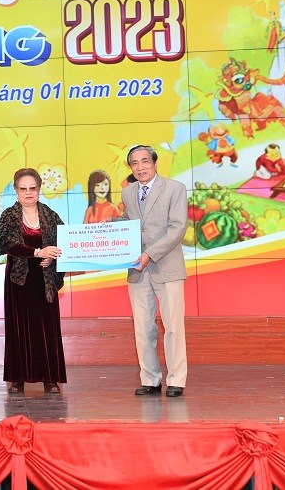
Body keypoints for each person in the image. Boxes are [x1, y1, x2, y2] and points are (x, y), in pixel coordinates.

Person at [120, 145, 189, 398]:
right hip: (138, 269)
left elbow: (178, 228)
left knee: (173, 326)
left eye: (145, 161)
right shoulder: (128, 192)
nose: (140, 167)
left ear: (155, 163)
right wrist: (108, 228)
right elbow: (129, 223)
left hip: (167, 266)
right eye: (135, 163)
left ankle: (176, 379)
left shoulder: (174, 188)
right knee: (143, 327)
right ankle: (150, 379)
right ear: (130, 167)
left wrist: (149, 254)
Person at [0, 168, 66, 395]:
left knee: (47, 329)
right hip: (19, 281)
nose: (28, 193)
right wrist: (38, 252)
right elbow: (7, 244)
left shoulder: (50, 215)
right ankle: (18, 379)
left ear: (39, 189)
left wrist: (52, 257)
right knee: (18, 329)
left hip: (45, 280)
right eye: (23, 189)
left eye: (32, 188)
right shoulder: (9, 215)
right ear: (16, 191)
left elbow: (65, 242)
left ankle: (50, 378)